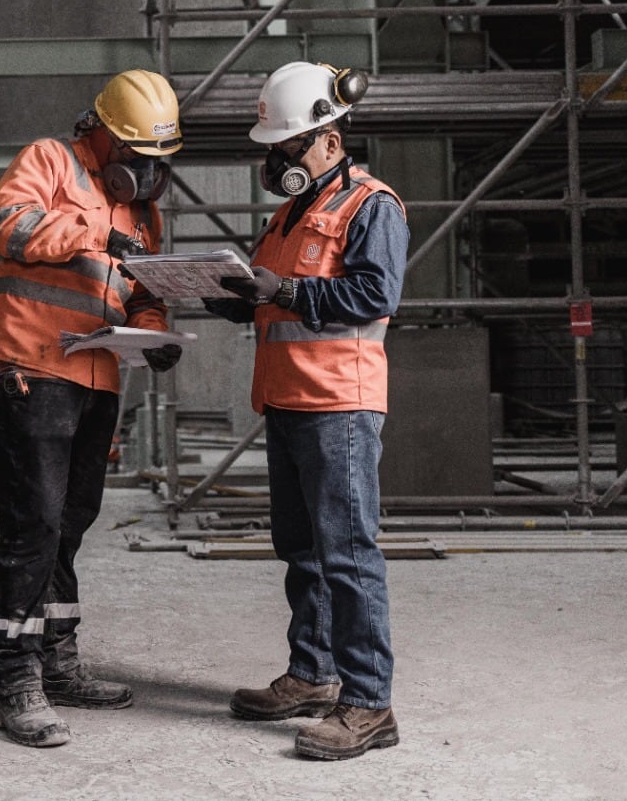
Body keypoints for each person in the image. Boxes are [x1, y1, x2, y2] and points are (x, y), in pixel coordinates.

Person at [202, 60, 407, 761]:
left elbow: (372, 297)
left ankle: (369, 703)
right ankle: (313, 675)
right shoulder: (289, 216)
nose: (275, 160)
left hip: (339, 404)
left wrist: (283, 292)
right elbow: (276, 298)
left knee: (348, 556)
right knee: (302, 553)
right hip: (289, 401)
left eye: (284, 147)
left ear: (326, 136)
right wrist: (228, 294)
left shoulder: (370, 206)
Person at [0, 70, 184, 748]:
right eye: (140, 162)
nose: (149, 177)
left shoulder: (140, 210)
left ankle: (56, 657)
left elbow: (139, 287)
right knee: (32, 524)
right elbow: (14, 230)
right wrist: (98, 230)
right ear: (103, 135)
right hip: (34, 366)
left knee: (71, 521)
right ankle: (15, 676)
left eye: (159, 165)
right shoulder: (48, 161)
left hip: (97, 378)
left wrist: (154, 328)